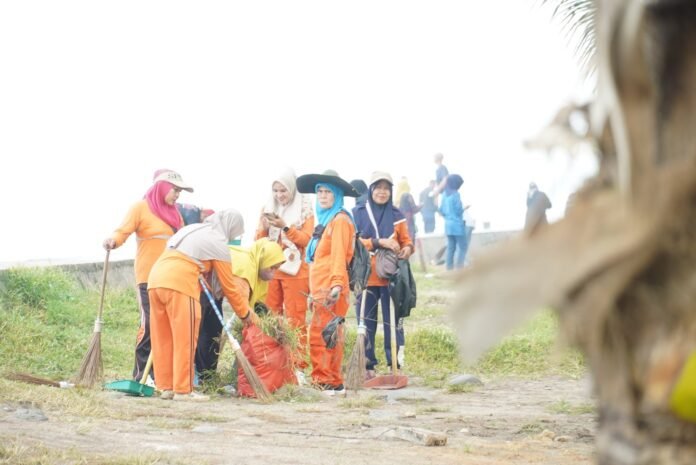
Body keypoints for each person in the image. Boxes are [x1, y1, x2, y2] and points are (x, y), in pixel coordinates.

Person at [147, 209, 258, 401]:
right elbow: (230, 287)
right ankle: (183, 390)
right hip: (180, 283)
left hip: (155, 279)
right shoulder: (218, 242)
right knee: (185, 338)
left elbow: (185, 256)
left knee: (163, 337)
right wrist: (245, 314)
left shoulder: (192, 229)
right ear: (231, 228)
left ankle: (166, 387)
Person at [103, 169, 193, 383]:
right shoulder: (140, 208)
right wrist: (113, 241)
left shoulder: (176, 214)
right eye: (175, 190)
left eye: (180, 191)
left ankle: (160, 375)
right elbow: (123, 231)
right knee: (151, 325)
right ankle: (140, 375)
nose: (177, 195)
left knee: (168, 327)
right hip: (148, 278)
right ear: (162, 187)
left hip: (171, 278)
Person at [296, 169, 357, 395]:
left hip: (330, 288)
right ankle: (333, 381)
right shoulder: (326, 220)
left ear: (337, 194)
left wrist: (337, 285)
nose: (322, 196)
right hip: (321, 288)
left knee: (321, 336)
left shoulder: (339, 220)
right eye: (319, 191)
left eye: (328, 192)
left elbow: (339, 255)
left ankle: (324, 381)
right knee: (330, 334)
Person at [195, 238, 286, 380]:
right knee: (208, 331)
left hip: (215, 290)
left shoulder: (257, 268)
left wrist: (271, 323)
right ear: (263, 259)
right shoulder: (246, 268)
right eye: (271, 268)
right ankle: (201, 376)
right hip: (201, 284)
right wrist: (259, 325)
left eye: (276, 269)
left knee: (214, 329)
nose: (273, 274)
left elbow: (257, 304)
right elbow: (241, 305)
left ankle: (206, 375)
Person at [353, 171, 414, 380]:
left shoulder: (397, 215)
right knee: (366, 322)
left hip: (390, 277)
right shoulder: (358, 213)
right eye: (378, 187)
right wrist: (378, 242)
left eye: (386, 188)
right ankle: (367, 365)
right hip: (366, 276)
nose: (382, 192)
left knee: (393, 323)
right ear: (371, 190)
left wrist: (407, 249)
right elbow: (353, 242)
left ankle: (394, 365)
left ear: (391, 191)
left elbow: (406, 240)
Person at [254, 170, 314, 374]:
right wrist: (264, 228)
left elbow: (306, 240)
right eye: (276, 190)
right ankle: (273, 364)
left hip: (295, 270)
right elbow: (258, 241)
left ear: (292, 189)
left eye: (283, 190)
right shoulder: (268, 207)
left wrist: (285, 227)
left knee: (295, 319)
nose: (279, 195)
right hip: (271, 270)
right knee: (270, 317)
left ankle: (297, 367)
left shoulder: (305, 207)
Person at [439, 174, 467, 270]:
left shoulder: (444, 194)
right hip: (457, 225)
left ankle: (449, 268)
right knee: (463, 246)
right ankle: (459, 267)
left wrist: (448, 217)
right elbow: (458, 210)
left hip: (448, 225)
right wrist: (464, 208)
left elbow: (441, 210)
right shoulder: (456, 194)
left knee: (451, 247)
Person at [395, 177, 420, 242]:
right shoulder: (408, 195)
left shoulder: (397, 197)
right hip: (409, 220)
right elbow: (414, 208)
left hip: (400, 223)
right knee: (410, 240)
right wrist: (421, 206)